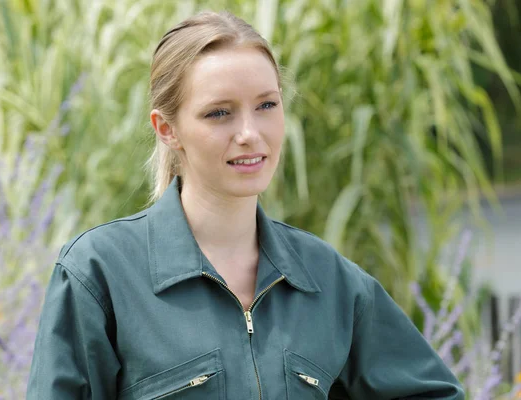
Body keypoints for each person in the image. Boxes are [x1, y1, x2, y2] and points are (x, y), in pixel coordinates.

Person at [27, 10, 465, 400]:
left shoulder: (328, 281)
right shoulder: (99, 273)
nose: (250, 133)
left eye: (266, 105)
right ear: (167, 129)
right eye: (220, 113)